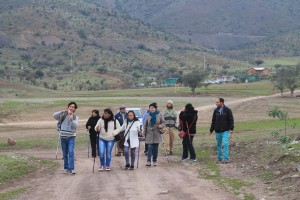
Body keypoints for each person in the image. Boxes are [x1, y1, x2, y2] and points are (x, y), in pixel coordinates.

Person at [53, 102, 79, 174]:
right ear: (68, 107)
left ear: (75, 109)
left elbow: (75, 126)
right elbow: (54, 116)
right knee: (65, 153)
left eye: (73, 107)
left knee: (71, 152)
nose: (71, 108)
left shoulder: (75, 117)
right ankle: (66, 168)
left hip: (71, 136)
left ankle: (72, 169)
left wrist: (71, 119)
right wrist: (62, 111)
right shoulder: (62, 115)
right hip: (63, 136)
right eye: (70, 106)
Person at [209, 98, 234, 163]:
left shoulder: (228, 110)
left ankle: (226, 158)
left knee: (225, 143)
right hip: (217, 131)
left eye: (217, 102)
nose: (216, 103)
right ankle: (220, 158)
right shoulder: (215, 111)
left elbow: (231, 120)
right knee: (218, 145)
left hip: (225, 130)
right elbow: (213, 121)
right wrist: (211, 130)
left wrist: (231, 128)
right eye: (216, 102)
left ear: (221, 102)